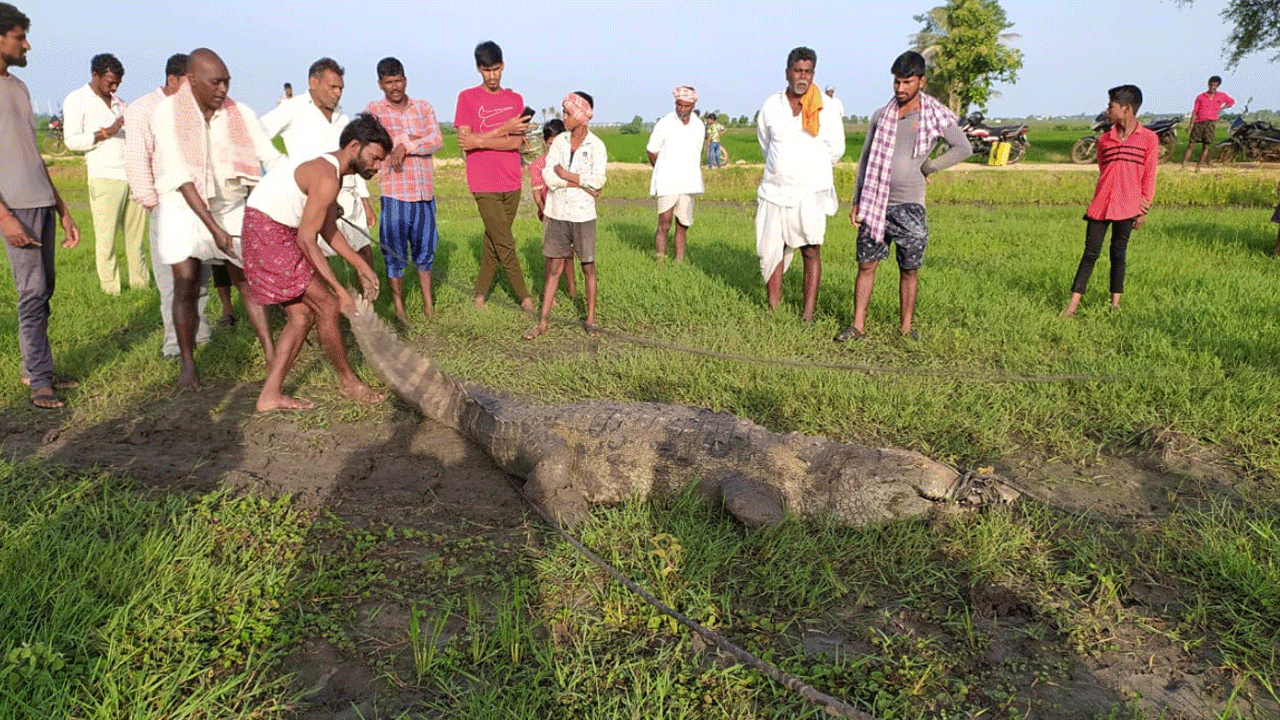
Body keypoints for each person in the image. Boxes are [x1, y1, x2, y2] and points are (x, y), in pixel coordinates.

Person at [150, 47, 281, 390]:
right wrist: (213, 229)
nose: (223, 89)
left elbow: (271, 158)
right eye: (215, 82)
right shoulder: (166, 113)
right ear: (191, 81)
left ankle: (271, 357)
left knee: (248, 279)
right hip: (181, 207)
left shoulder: (241, 113)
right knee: (187, 282)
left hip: (230, 205)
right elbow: (180, 175)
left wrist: (308, 189)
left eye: (227, 82)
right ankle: (188, 364)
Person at [242, 113, 387, 411]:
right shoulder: (327, 177)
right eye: (374, 158)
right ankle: (348, 381)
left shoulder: (331, 171)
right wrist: (341, 292)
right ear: (354, 146)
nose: (377, 167)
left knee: (301, 316)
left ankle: (269, 395)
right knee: (329, 305)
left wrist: (362, 265)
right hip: (269, 234)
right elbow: (308, 241)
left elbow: (328, 230)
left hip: (269, 231)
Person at [839, 50, 971, 341]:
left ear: (921, 81)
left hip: (909, 204)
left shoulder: (932, 115)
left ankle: (906, 329)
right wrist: (857, 199)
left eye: (907, 82)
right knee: (866, 264)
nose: (900, 89)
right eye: (897, 82)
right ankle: (857, 325)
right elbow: (865, 159)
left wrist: (930, 166)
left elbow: (963, 148)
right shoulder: (880, 116)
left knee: (909, 268)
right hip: (875, 201)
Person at [0, 2, 81, 408]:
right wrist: (5, 217)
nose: (27, 45)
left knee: (44, 288)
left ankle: (36, 367)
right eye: (19, 37)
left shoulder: (17, 86)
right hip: (14, 207)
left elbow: (32, 153)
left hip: (41, 202)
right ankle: (39, 383)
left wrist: (62, 207)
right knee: (31, 293)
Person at [124, 52, 216, 357]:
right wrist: (152, 203)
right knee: (173, 281)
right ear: (173, 79)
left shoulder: (194, 110)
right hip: (168, 204)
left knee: (199, 277)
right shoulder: (143, 110)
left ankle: (200, 335)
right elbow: (137, 159)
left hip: (201, 203)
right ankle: (175, 345)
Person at [755, 47, 845, 323]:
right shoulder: (772, 106)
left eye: (807, 71)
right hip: (774, 190)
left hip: (810, 192)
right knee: (771, 250)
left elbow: (835, 150)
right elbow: (765, 146)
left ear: (813, 73)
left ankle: (807, 314)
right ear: (787, 72)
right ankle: (774, 309)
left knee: (811, 249)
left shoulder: (826, 108)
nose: (802, 77)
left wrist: (808, 167)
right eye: (797, 70)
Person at [261, 57, 375, 265]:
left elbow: (354, 160)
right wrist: (278, 166)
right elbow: (257, 135)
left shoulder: (344, 118)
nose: (338, 93)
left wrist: (365, 202)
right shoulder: (293, 109)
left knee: (363, 252)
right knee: (312, 257)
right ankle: (327, 298)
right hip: (310, 196)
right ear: (313, 83)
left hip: (348, 197)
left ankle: (366, 298)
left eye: (341, 88)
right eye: (332, 87)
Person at [1062, 85, 1158, 317]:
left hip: (1129, 206)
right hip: (1101, 204)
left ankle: (1115, 306)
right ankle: (1071, 307)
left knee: (1118, 253)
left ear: (1126, 109)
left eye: (1111, 106)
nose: (1107, 111)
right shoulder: (1105, 140)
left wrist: (1143, 207)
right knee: (1090, 254)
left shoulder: (1148, 139)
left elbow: (1149, 174)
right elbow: (1103, 168)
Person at [455, 41, 533, 310]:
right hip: (483, 181)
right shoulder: (466, 98)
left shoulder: (515, 100)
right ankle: (525, 297)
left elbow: (515, 144)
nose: (492, 76)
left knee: (493, 239)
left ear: (503, 66)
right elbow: (464, 141)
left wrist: (480, 140)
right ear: (478, 69)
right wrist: (505, 128)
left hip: (511, 181)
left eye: (496, 69)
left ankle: (479, 293)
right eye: (487, 70)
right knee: (505, 241)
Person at [365, 56, 443, 323]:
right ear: (380, 84)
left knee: (425, 252)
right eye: (389, 83)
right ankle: (399, 310)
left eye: (398, 81)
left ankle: (429, 307)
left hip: (423, 193)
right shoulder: (374, 111)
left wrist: (405, 146)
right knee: (394, 253)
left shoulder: (422, 108)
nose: (395, 87)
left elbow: (436, 140)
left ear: (405, 80)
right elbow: (370, 144)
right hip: (394, 193)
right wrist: (400, 140)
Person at [63, 52, 147, 295]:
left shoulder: (120, 103)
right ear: (95, 76)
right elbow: (72, 141)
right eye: (109, 81)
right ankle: (112, 290)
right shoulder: (78, 99)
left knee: (135, 238)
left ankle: (141, 286)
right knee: (106, 239)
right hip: (104, 176)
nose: (114, 86)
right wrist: (106, 132)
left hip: (130, 175)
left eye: (118, 82)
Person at [524, 91, 606, 340]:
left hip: (583, 214)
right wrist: (578, 183)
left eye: (568, 113)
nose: (564, 117)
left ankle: (590, 318)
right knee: (554, 268)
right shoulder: (559, 142)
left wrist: (567, 175)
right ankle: (543, 322)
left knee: (588, 265)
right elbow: (549, 175)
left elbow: (598, 181)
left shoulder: (597, 146)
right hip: (557, 211)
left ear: (582, 116)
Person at [647, 85, 704, 263]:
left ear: (693, 106)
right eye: (679, 105)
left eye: (686, 106)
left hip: (689, 182)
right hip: (667, 182)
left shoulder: (698, 125)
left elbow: (696, 152)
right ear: (675, 103)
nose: (682, 109)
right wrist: (662, 170)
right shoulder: (665, 123)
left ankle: (679, 261)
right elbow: (652, 150)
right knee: (664, 222)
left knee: (683, 224)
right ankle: (660, 262)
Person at [529, 118, 575, 297]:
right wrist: (545, 211)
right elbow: (536, 193)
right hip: (550, 212)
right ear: (545, 142)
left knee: (569, 254)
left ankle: (572, 291)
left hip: (571, 211)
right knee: (552, 256)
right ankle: (551, 295)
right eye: (550, 144)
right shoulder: (539, 165)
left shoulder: (571, 162)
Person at [1180, 75, 1234, 171]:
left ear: (1218, 86)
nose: (1213, 87)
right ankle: (1183, 166)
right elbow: (1195, 111)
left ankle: (1198, 167)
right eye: (1211, 85)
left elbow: (1231, 102)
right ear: (1208, 85)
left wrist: (1222, 108)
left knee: (1206, 145)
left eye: (1215, 85)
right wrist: (1190, 125)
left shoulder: (1221, 96)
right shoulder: (1201, 97)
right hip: (1199, 122)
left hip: (1211, 123)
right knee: (1191, 144)